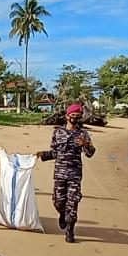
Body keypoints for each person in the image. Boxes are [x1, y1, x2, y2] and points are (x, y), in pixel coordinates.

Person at [37, 103, 96, 243]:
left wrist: (85, 145)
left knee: (73, 202)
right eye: (73, 116)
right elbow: (55, 152)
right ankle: (62, 214)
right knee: (58, 202)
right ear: (67, 116)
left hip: (75, 174)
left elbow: (90, 153)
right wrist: (43, 155)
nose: (75, 119)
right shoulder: (58, 132)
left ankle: (70, 230)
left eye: (78, 116)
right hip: (59, 174)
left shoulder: (83, 134)